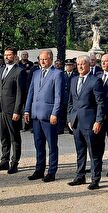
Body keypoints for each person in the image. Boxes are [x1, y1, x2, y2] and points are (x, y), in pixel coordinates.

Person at [24, 50, 63, 182]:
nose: (42, 61)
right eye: (41, 59)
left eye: (45, 59)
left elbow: (58, 97)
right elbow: (30, 93)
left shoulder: (57, 74)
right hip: (35, 114)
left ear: (51, 59)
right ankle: (39, 169)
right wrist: (27, 110)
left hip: (48, 115)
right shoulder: (35, 73)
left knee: (52, 145)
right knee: (38, 144)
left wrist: (54, 113)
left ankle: (51, 171)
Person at [67, 55, 105, 190]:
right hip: (76, 122)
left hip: (90, 123)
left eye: (83, 64)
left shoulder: (95, 81)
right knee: (80, 151)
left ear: (89, 65)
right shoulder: (73, 80)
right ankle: (80, 176)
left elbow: (100, 103)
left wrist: (98, 121)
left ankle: (95, 179)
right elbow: (70, 102)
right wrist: (69, 118)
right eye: (78, 64)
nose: (80, 66)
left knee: (94, 152)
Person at [0, 47, 26, 174]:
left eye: (9, 55)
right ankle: (4, 161)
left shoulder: (19, 71)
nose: (7, 57)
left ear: (15, 56)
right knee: (4, 137)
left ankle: (14, 163)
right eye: (5, 55)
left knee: (14, 137)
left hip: (12, 110)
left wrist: (17, 111)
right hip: (0, 109)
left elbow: (20, 94)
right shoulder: (1, 70)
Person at [59, 59, 77, 134]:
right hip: (63, 97)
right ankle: (60, 129)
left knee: (71, 113)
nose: (68, 67)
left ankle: (71, 129)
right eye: (67, 65)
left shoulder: (76, 75)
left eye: (70, 65)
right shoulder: (62, 75)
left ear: (73, 66)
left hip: (72, 98)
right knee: (62, 114)